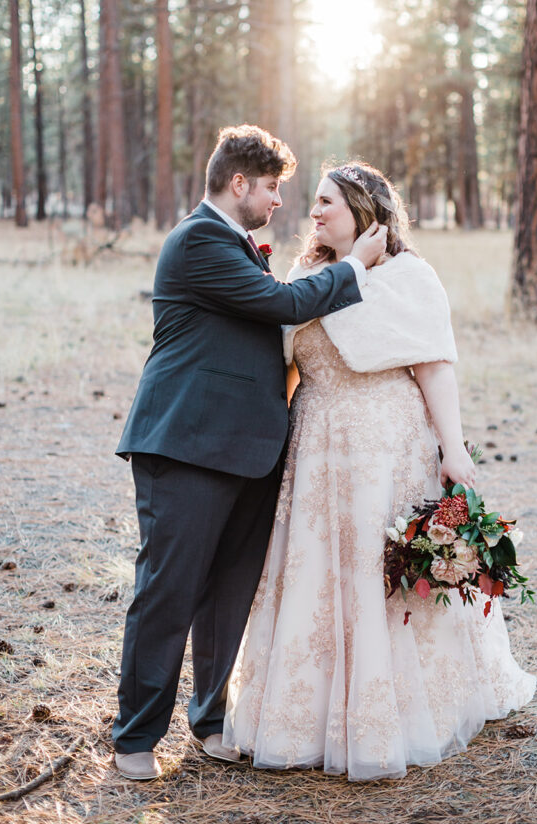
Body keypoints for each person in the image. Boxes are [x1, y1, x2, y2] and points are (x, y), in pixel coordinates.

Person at [224, 161, 536, 781]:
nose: (313, 212)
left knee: (381, 574)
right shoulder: (307, 276)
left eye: (326, 202)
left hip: (387, 446)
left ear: (365, 210)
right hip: (316, 448)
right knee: (316, 574)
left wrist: (454, 450)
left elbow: (434, 366)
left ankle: (397, 709)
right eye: (312, 202)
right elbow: (287, 366)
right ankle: (304, 714)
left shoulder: (409, 277)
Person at [112, 127, 387, 781]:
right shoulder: (198, 240)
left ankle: (209, 721)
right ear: (239, 183)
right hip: (187, 446)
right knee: (168, 592)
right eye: (270, 188)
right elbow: (279, 303)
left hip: (249, 452)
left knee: (228, 593)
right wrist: (353, 267)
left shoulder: (238, 245)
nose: (277, 203)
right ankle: (134, 738)